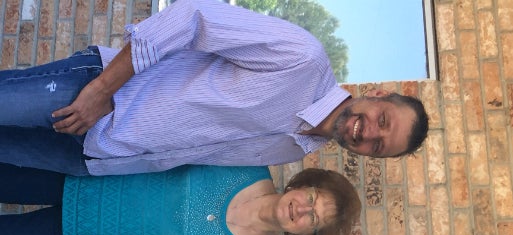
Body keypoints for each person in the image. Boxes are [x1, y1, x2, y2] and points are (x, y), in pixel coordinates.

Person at [0, 0, 429, 177]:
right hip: (94, 94)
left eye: (379, 146)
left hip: (94, 156)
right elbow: (194, 17)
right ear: (376, 96)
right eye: (383, 121)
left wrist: (108, 167)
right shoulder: (303, 58)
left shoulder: (295, 150)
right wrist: (100, 90)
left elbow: (192, 152)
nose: (368, 134)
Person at [0, 162, 361, 235]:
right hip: (87, 177)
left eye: (313, 221)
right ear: (302, 184)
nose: (302, 210)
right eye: (312, 199)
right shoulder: (247, 166)